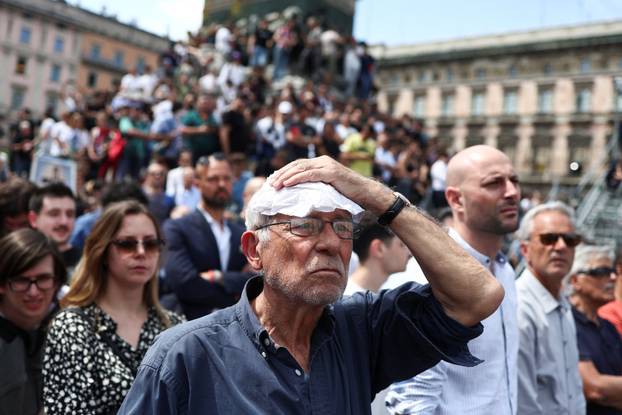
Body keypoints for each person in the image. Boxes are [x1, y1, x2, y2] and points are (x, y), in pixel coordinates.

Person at [118, 155, 504, 414]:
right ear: (254, 251)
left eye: (342, 226)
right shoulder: (186, 356)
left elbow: (478, 295)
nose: (331, 242)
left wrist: (380, 198)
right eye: (304, 225)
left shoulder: (361, 330)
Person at [387, 145, 520, 415]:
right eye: (494, 183)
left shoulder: (506, 271)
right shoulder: (423, 278)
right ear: (456, 199)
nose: (512, 192)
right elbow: (409, 403)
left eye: (514, 180)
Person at [42, 201, 184, 414]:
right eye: (127, 244)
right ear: (102, 251)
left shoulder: (175, 326)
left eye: (151, 244)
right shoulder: (73, 326)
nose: (141, 252)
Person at [515, 201, 586, 414]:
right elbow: (523, 402)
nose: (561, 246)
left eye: (570, 239)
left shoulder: (563, 306)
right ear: (525, 249)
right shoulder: (519, 306)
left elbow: (574, 387)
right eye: (549, 238)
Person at [162, 153, 251, 319]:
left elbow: (254, 279)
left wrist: (218, 277)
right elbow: (184, 283)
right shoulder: (177, 227)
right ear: (197, 183)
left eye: (226, 178)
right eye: (213, 179)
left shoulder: (240, 233)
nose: (222, 184)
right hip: (188, 322)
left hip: (234, 327)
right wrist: (234, 298)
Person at [0, 229, 66, 415]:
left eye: (44, 279)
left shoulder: (69, 329)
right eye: (22, 280)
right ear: (2, 284)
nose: (34, 292)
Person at [568, 244, 622, 414]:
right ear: (576, 281)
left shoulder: (608, 326)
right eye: (601, 272)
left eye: (612, 271)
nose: (612, 277)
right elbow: (594, 387)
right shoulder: (568, 323)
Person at [344, 219, 411, 295]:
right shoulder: (346, 298)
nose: (410, 253)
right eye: (401, 244)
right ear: (379, 248)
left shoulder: (376, 299)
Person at [28, 182, 81, 269]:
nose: (64, 222)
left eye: (70, 214)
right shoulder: (19, 260)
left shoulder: (86, 263)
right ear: (33, 219)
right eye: (54, 214)